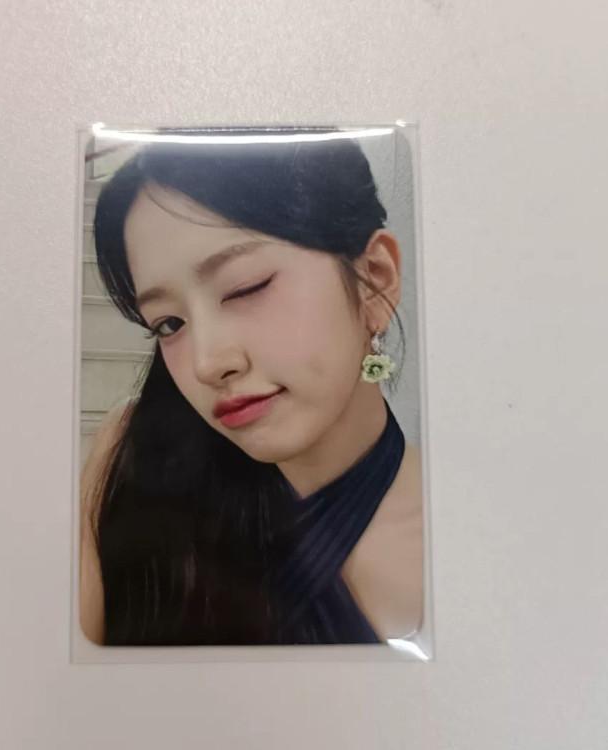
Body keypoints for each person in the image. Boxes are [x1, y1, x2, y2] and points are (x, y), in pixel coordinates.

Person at [80, 129, 423, 647]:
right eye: (169, 324)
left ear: (374, 278)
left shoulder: (462, 538)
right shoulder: (130, 457)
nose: (207, 364)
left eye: (246, 288)